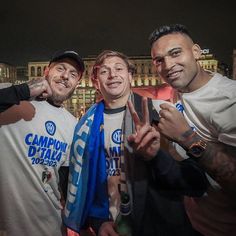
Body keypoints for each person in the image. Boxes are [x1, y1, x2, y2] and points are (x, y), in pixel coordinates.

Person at [64, 50, 208, 236]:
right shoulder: (86, 125)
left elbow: (196, 183)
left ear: (131, 75)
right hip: (114, 227)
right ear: (95, 82)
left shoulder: (159, 111)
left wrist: (156, 157)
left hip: (157, 226)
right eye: (104, 71)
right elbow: (88, 183)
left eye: (118, 68)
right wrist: (99, 223)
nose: (113, 74)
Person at [149, 24, 236, 236]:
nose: (168, 65)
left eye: (175, 53)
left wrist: (186, 137)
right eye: (159, 60)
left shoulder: (229, 101)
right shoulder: (181, 87)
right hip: (191, 220)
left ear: (196, 52)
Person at [0, 50, 85, 236]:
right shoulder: (13, 98)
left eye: (73, 74)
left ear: (76, 84)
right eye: (60, 68)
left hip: (52, 227)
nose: (65, 76)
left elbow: (65, 181)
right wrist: (24, 91)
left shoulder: (73, 125)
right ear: (46, 71)